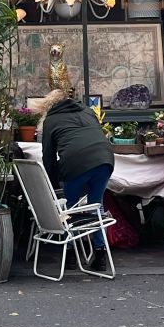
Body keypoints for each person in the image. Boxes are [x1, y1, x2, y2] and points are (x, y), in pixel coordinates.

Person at [37, 88, 115, 271]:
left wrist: (52, 182)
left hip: (74, 162)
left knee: (70, 207)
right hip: (105, 158)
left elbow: (48, 157)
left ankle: (71, 254)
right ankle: (100, 253)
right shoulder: (87, 111)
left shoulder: (51, 120)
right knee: (97, 205)